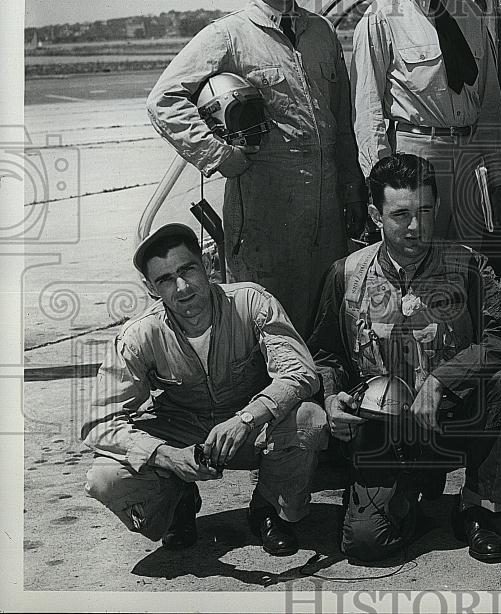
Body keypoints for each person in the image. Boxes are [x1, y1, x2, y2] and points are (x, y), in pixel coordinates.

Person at [147, 0, 367, 337]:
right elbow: (164, 101)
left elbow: (341, 126)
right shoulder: (228, 35)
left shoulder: (321, 33)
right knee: (267, 332)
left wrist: (353, 192)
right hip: (265, 223)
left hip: (327, 221)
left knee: (330, 329)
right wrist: (219, 156)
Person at [306, 154, 501, 564]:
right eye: (401, 214)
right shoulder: (346, 273)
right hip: (382, 427)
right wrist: (332, 397)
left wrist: (444, 378)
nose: (415, 226)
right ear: (375, 215)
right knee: (367, 545)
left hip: (451, 418)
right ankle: (405, 499)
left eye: (425, 211)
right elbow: (325, 353)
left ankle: (479, 512)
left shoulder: (466, 265)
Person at [81, 224, 327, 556]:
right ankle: (177, 504)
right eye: (165, 280)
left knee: (309, 419)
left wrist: (246, 418)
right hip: (183, 433)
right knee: (104, 476)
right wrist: (167, 456)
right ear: (151, 288)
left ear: (207, 264)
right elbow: (99, 423)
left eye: (187, 270)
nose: (181, 288)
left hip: (249, 429)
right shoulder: (139, 336)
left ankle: (269, 510)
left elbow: (300, 371)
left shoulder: (250, 301)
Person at [351, 0, 501, 247]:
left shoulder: (469, 13)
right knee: (417, 267)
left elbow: (489, 106)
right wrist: (379, 184)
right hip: (414, 162)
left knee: (466, 266)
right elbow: (368, 112)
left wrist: (499, 177)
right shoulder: (381, 18)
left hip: (470, 165)